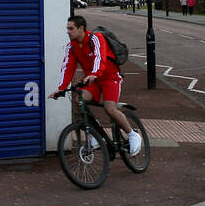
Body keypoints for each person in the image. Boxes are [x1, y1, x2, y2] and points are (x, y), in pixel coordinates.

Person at [53, 15, 141, 155]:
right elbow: (68, 67)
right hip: (92, 80)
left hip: (110, 78)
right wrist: (61, 88)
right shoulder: (72, 47)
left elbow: (99, 57)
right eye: (67, 28)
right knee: (79, 100)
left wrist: (95, 73)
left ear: (81, 28)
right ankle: (94, 136)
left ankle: (132, 134)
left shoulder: (96, 38)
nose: (68, 32)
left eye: (71, 28)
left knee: (110, 109)